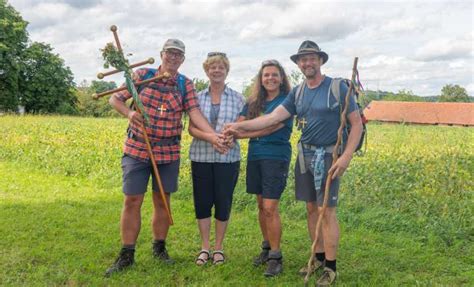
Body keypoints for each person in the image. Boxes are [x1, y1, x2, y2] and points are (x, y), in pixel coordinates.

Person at [224, 40, 363, 286]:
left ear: (320, 61)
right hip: (304, 156)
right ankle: (318, 257)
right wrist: (238, 126)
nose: (307, 63)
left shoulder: (338, 88)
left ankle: (330, 268)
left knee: (326, 212)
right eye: (303, 59)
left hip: (329, 157)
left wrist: (346, 156)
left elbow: (356, 124)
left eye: (312, 58)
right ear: (298, 64)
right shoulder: (297, 93)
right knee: (311, 209)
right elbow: (272, 118)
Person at [105, 39, 227, 276]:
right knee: (132, 200)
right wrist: (130, 113)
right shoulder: (141, 74)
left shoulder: (184, 84)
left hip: (168, 152)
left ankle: (159, 248)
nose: (173, 58)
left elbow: (194, 113)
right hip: (137, 149)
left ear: (182, 59)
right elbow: (114, 98)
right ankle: (126, 254)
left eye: (178, 55)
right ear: (161, 55)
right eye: (169, 53)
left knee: (163, 200)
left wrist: (213, 136)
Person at [234, 59, 293, 276]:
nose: (270, 78)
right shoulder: (254, 102)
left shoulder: (287, 100)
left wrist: (241, 131)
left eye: (274, 75)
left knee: (270, 207)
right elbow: (239, 121)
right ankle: (267, 248)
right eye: (266, 75)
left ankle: (276, 257)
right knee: (261, 205)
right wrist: (235, 129)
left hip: (276, 158)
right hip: (255, 157)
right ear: (261, 79)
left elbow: (272, 126)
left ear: (281, 78)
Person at [188, 52, 245, 266]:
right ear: (206, 71)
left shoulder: (239, 98)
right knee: (202, 203)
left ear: (227, 70)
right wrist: (212, 138)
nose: (217, 70)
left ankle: (219, 248)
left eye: (221, 67)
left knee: (223, 202)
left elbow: (241, 126)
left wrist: (230, 138)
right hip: (201, 157)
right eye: (212, 67)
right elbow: (191, 128)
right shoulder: (196, 97)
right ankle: (204, 247)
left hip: (227, 158)